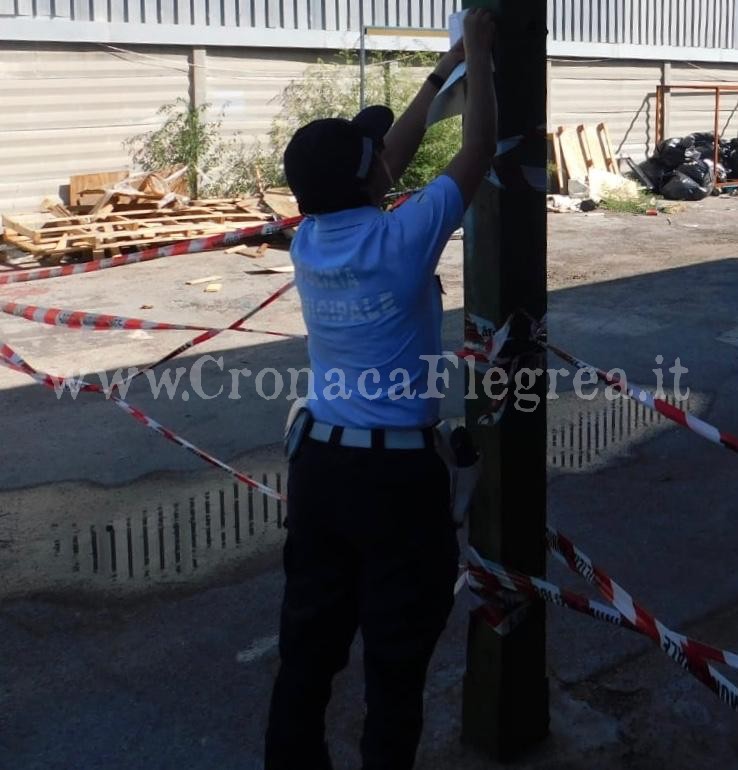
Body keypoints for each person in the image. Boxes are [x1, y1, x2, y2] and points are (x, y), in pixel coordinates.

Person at [265, 10, 497, 770]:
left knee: (307, 651)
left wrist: (444, 69)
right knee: (395, 668)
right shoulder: (402, 240)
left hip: (321, 471)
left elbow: (382, 163)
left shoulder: (308, 239)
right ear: (369, 177)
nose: (386, 164)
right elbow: (478, 151)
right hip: (396, 479)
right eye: (376, 160)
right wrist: (484, 56)